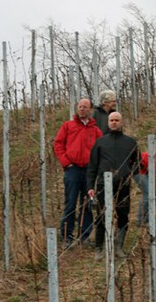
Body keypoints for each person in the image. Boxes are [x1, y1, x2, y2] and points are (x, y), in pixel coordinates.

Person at [87, 112, 141, 260]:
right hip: (103, 184)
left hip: (122, 184)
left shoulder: (130, 142)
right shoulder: (100, 142)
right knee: (101, 215)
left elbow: (137, 162)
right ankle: (99, 249)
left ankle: (119, 248)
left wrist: (130, 174)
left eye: (117, 120)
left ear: (121, 122)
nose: (114, 122)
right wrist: (90, 186)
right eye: (111, 120)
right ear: (108, 123)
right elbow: (92, 166)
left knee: (123, 215)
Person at [54, 98, 103, 249]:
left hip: (89, 171)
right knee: (70, 203)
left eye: (85, 107)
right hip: (73, 170)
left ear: (91, 110)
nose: (82, 109)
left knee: (88, 203)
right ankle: (67, 237)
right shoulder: (68, 126)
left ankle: (85, 236)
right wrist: (66, 162)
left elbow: (100, 149)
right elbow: (58, 144)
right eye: (80, 106)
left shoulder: (95, 130)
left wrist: (96, 168)